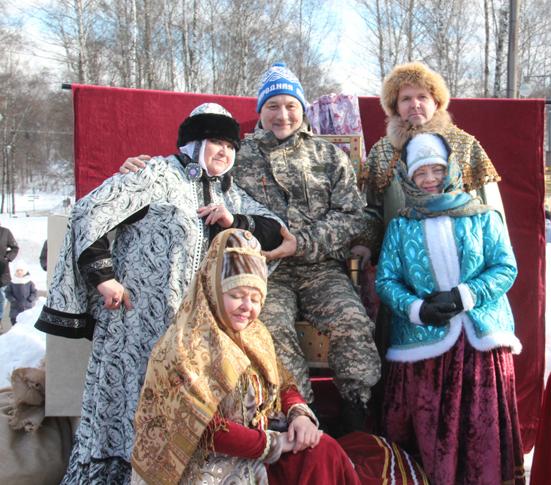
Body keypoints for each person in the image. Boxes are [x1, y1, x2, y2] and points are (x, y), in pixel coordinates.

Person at [121, 64, 381, 435]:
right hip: (262, 272)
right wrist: (143, 168)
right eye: (272, 105)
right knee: (271, 332)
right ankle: (302, 420)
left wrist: (301, 243)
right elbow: (191, 171)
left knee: (352, 323)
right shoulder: (237, 154)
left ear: (302, 109)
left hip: (320, 267)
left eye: (290, 105)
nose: (282, 114)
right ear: (261, 110)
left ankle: (355, 420)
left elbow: (352, 217)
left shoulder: (328, 156)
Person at [38, 103, 285, 485]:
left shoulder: (230, 193)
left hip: (194, 336)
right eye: (215, 142)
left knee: (180, 412)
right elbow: (91, 212)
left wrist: (232, 221)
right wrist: (104, 278)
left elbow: (276, 231)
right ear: (193, 143)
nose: (224, 151)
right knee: (130, 409)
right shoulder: (155, 174)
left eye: (230, 145)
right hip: (139, 324)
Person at [130, 229, 360, 485]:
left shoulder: (256, 334)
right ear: (213, 289)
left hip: (261, 448)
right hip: (210, 462)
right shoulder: (185, 347)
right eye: (236, 296)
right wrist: (275, 443)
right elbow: (204, 427)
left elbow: (283, 383)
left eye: (255, 298)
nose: (247, 307)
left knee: (323, 450)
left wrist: (300, 416)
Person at [375, 133, 524, 485]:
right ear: (408, 178)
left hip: (479, 345)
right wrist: (416, 309)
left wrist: (464, 297)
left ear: (452, 170)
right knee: (427, 430)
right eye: (420, 173)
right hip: (421, 348)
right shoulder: (400, 225)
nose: (429, 181)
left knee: (480, 433)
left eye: (436, 170)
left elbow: (505, 268)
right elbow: (386, 281)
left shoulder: (484, 217)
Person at [355, 61, 503, 269]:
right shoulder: (381, 152)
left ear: (436, 102)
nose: (415, 104)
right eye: (406, 99)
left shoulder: (465, 145)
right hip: (403, 264)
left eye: (422, 97)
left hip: (463, 263)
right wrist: (365, 243)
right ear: (396, 107)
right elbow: (373, 211)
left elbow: (489, 208)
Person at [5, 260, 38, 325]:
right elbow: (7, 292)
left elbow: (34, 292)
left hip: (26, 307)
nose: (19, 272)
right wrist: (12, 299)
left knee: (25, 324)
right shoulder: (12, 282)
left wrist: (29, 299)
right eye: (17, 271)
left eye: (21, 270)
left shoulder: (29, 282)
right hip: (15, 308)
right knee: (15, 324)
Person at [0, 222, 19, 321]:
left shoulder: (5, 232)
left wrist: (7, 258)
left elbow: (15, 248)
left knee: (1, 298)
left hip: (2, 271)